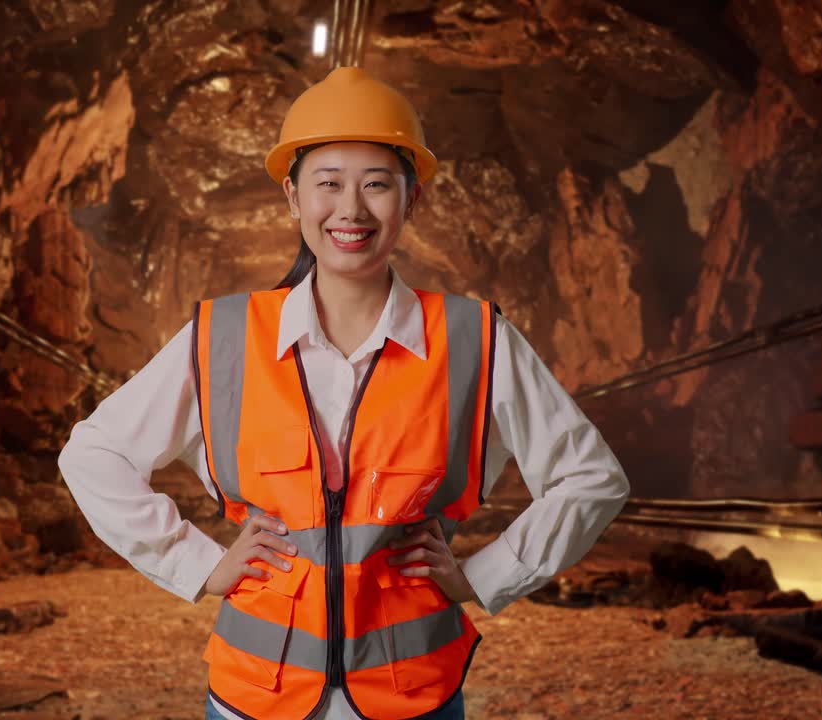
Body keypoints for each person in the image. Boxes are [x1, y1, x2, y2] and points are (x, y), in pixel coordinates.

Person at [58, 66, 630, 720]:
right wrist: (198, 564)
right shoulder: (223, 339)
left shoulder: (473, 340)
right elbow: (93, 455)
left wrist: (485, 575)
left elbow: (592, 478)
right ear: (294, 198)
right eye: (328, 184)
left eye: (377, 185)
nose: (351, 210)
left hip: (411, 697)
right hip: (256, 699)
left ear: (412, 200)